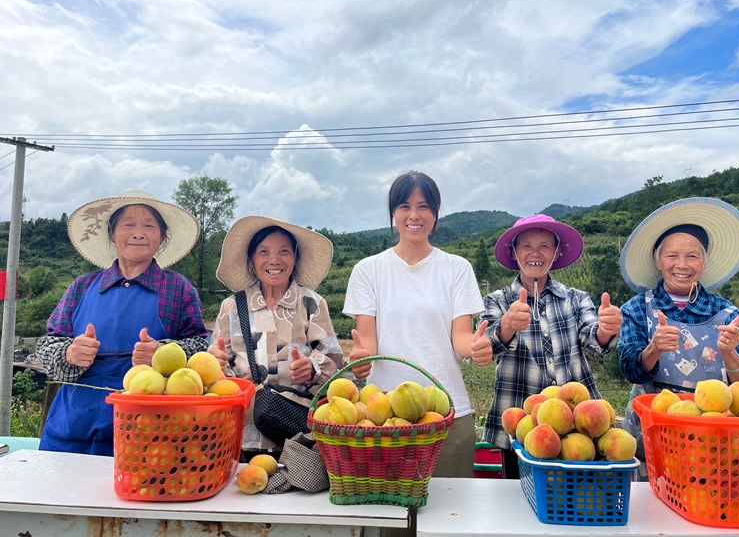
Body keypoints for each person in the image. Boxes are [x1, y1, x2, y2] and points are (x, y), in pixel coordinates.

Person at [344, 171, 493, 479]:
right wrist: (361, 358)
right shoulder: (368, 270)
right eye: (404, 206)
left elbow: (462, 337)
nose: (414, 215)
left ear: (436, 214)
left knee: (449, 518)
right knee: (394, 519)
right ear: (393, 214)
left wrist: (477, 348)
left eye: (424, 206)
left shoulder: (456, 268)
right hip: (386, 414)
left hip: (448, 410)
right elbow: (367, 342)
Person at [36, 190, 208, 456]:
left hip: (150, 433)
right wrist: (69, 353)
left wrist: (162, 354)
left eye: (149, 226)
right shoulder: (82, 286)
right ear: (112, 233)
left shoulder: (177, 288)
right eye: (128, 224)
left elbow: (200, 348)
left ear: (161, 237)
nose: (138, 233)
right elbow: (47, 344)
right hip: (72, 427)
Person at [618, 197, 739, 478]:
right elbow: (630, 370)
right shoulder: (636, 308)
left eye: (693, 255)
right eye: (672, 255)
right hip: (650, 440)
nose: (682, 264)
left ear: (704, 262)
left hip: (712, 442)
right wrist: (654, 348)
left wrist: (730, 354)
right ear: (658, 261)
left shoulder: (727, 313)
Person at [481, 214, 623, 478]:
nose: (535, 253)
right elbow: (486, 346)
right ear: (514, 252)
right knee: (519, 499)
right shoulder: (498, 301)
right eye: (526, 246)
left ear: (557, 252)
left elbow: (594, 339)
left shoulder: (575, 298)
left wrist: (606, 329)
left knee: (578, 497)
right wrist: (509, 324)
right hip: (521, 425)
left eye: (544, 246)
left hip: (577, 426)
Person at [208, 217, 344, 460]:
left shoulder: (310, 303)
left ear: (295, 258)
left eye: (284, 251)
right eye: (264, 252)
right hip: (243, 435)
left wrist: (312, 368)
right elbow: (219, 363)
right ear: (252, 259)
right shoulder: (232, 307)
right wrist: (217, 366)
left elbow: (334, 357)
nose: (274, 260)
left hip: (297, 433)